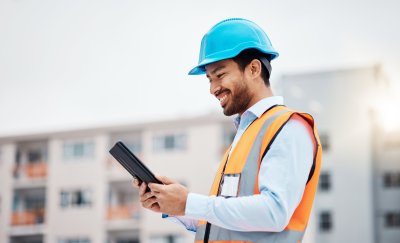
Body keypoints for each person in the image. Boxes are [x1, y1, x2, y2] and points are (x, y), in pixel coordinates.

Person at [134, 18, 322, 243]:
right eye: (209, 79)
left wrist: (189, 202)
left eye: (220, 75)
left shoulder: (289, 127)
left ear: (253, 69)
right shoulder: (246, 135)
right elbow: (226, 222)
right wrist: (174, 205)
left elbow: (274, 212)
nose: (213, 89)